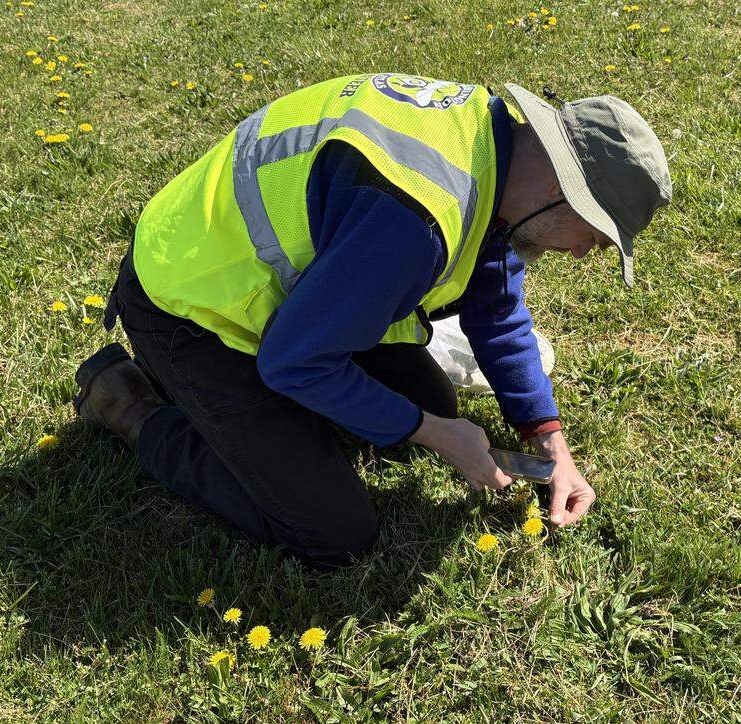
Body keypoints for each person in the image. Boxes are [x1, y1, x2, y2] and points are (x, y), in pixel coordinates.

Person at [72, 73, 671, 567]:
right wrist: (438, 435)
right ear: (562, 192)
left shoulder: (495, 155)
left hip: (283, 292)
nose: (585, 252)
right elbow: (294, 360)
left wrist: (550, 444)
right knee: (333, 530)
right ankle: (128, 404)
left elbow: (498, 308)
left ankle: (274, 413)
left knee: (428, 400)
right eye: (597, 234)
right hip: (189, 303)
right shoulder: (416, 219)